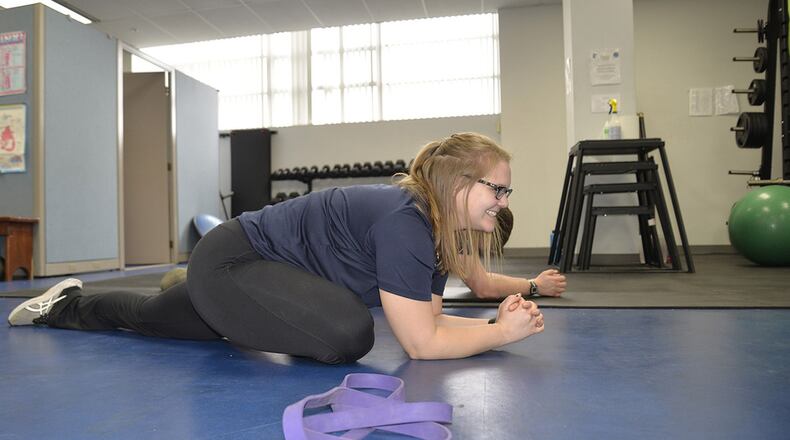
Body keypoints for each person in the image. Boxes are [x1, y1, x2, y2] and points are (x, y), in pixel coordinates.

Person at [8, 132, 566, 364]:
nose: (504, 199)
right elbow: (419, 345)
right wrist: (497, 335)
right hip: (235, 260)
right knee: (348, 331)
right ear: (460, 186)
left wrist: (497, 319)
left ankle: (64, 304)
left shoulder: (434, 235)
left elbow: (433, 320)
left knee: (153, 320)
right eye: (498, 188)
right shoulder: (407, 221)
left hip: (261, 279)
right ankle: (191, 284)